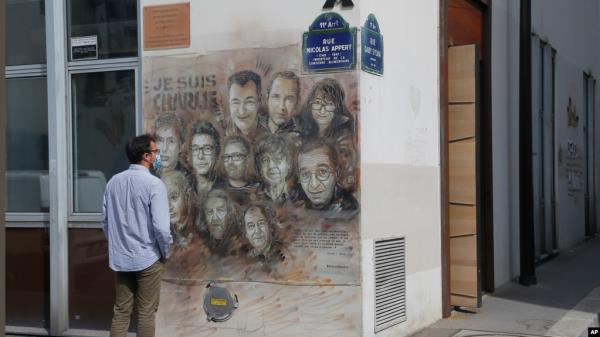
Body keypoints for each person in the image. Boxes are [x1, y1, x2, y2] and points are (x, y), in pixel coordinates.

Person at [101, 134, 172, 337]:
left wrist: (118, 245)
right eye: (156, 152)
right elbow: (161, 228)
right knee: (146, 313)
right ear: (146, 156)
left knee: (121, 311)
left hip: (121, 258)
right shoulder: (154, 184)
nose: (158, 155)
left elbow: (105, 222)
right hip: (148, 258)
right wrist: (164, 253)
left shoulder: (113, 182)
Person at [295, 140, 359, 218]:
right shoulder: (293, 201)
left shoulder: (350, 209)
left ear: (336, 174)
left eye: (322, 172)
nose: (314, 184)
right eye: (305, 174)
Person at [258, 71, 302, 146]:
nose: (282, 106)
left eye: (289, 99)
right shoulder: (254, 126)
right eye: (276, 97)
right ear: (267, 98)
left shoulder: (300, 137)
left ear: (296, 103)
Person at [254, 134, 294, 203]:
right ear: (259, 166)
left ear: (288, 163)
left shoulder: (298, 195)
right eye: (265, 160)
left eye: (277, 159)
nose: (271, 166)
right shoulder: (252, 195)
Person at [188, 120, 223, 196]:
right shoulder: (186, 186)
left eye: (207, 149)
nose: (201, 156)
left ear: (216, 153)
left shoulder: (224, 188)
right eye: (196, 149)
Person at [220, 136, 258, 203]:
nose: (230, 162)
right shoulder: (219, 190)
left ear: (247, 159)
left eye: (236, 156)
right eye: (226, 157)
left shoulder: (259, 188)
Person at [202, 189, 239, 256]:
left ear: (229, 213)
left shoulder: (238, 244)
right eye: (210, 212)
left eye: (220, 210)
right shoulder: (201, 245)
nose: (215, 218)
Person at [161, 170, 193, 247]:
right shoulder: (165, 231)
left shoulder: (199, 225)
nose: (168, 207)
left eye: (173, 197)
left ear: (187, 196)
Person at [226, 70, 262, 138]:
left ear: (259, 102)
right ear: (229, 103)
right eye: (235, 102)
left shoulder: (270, 132)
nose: (241, 112)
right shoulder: (221, 133)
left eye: (249, 102)